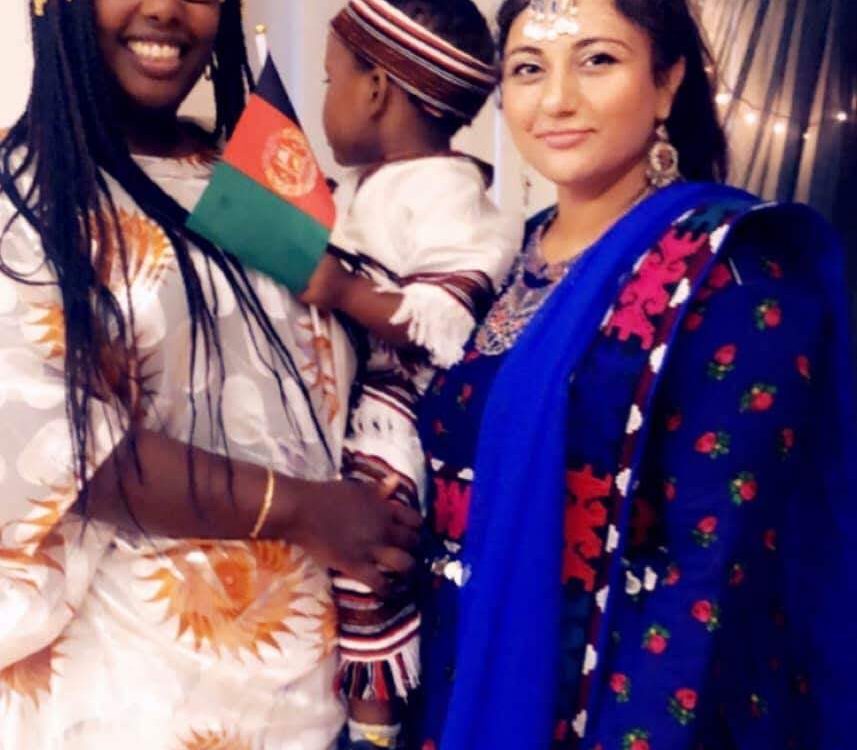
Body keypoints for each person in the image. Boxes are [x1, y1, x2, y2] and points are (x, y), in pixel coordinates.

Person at [409, 1, 857, 748]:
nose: (556, 99)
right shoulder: (501, 259)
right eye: (528, 69)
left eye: (597, 60)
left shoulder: (734, 278)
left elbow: (712, 574)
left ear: (667, 81)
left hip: (623, 696)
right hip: (463, 668)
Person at [0, 0, 419, 747]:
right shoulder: (23, 201)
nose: (166, 9)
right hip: (127, 697)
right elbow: (59, 446)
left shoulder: (258, 175)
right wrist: (302, 510)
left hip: (310, 694)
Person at [298, 1, 522, 746]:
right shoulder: (377, 183)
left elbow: (444, 318)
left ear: (374, 90)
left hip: (396, 412)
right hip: (347, 395)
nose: (326, 97)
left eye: (329, 79)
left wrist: (343, 291)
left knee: (372, 560)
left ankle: (376, 727)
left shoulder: (444, 188)